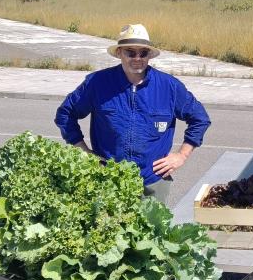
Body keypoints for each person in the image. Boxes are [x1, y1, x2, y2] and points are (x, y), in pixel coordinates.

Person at [54, 23, 211, 203]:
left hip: (153, 183)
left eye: (143, 53)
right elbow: (65, 114)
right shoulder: (97, 83)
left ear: (149, 55)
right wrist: (83, 151)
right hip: (108, 182)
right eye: (130, 52)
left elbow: (200, 118)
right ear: (120, 52)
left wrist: (181, 155)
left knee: (154, 230)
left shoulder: (169, 86)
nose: (137, 58)